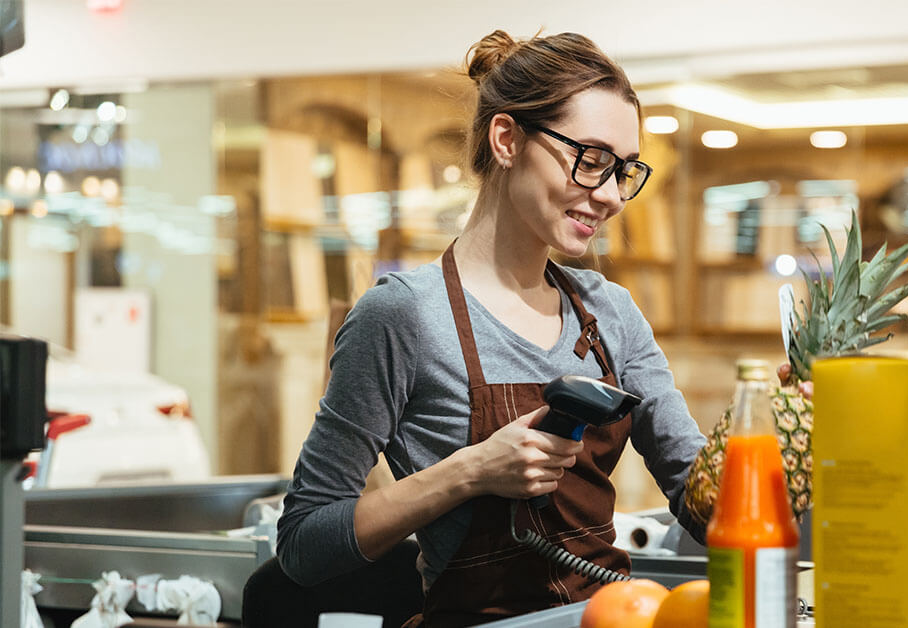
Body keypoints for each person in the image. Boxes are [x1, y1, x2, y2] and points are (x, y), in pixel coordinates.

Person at [275, 30, 708, 626]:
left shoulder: (611, 313)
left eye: (625, 170)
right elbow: (303, 545)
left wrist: (786, 438)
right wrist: (471, 471)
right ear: (507, 139)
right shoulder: (402, 316)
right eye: (592, 160)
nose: (609, 195)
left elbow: (708, 509)